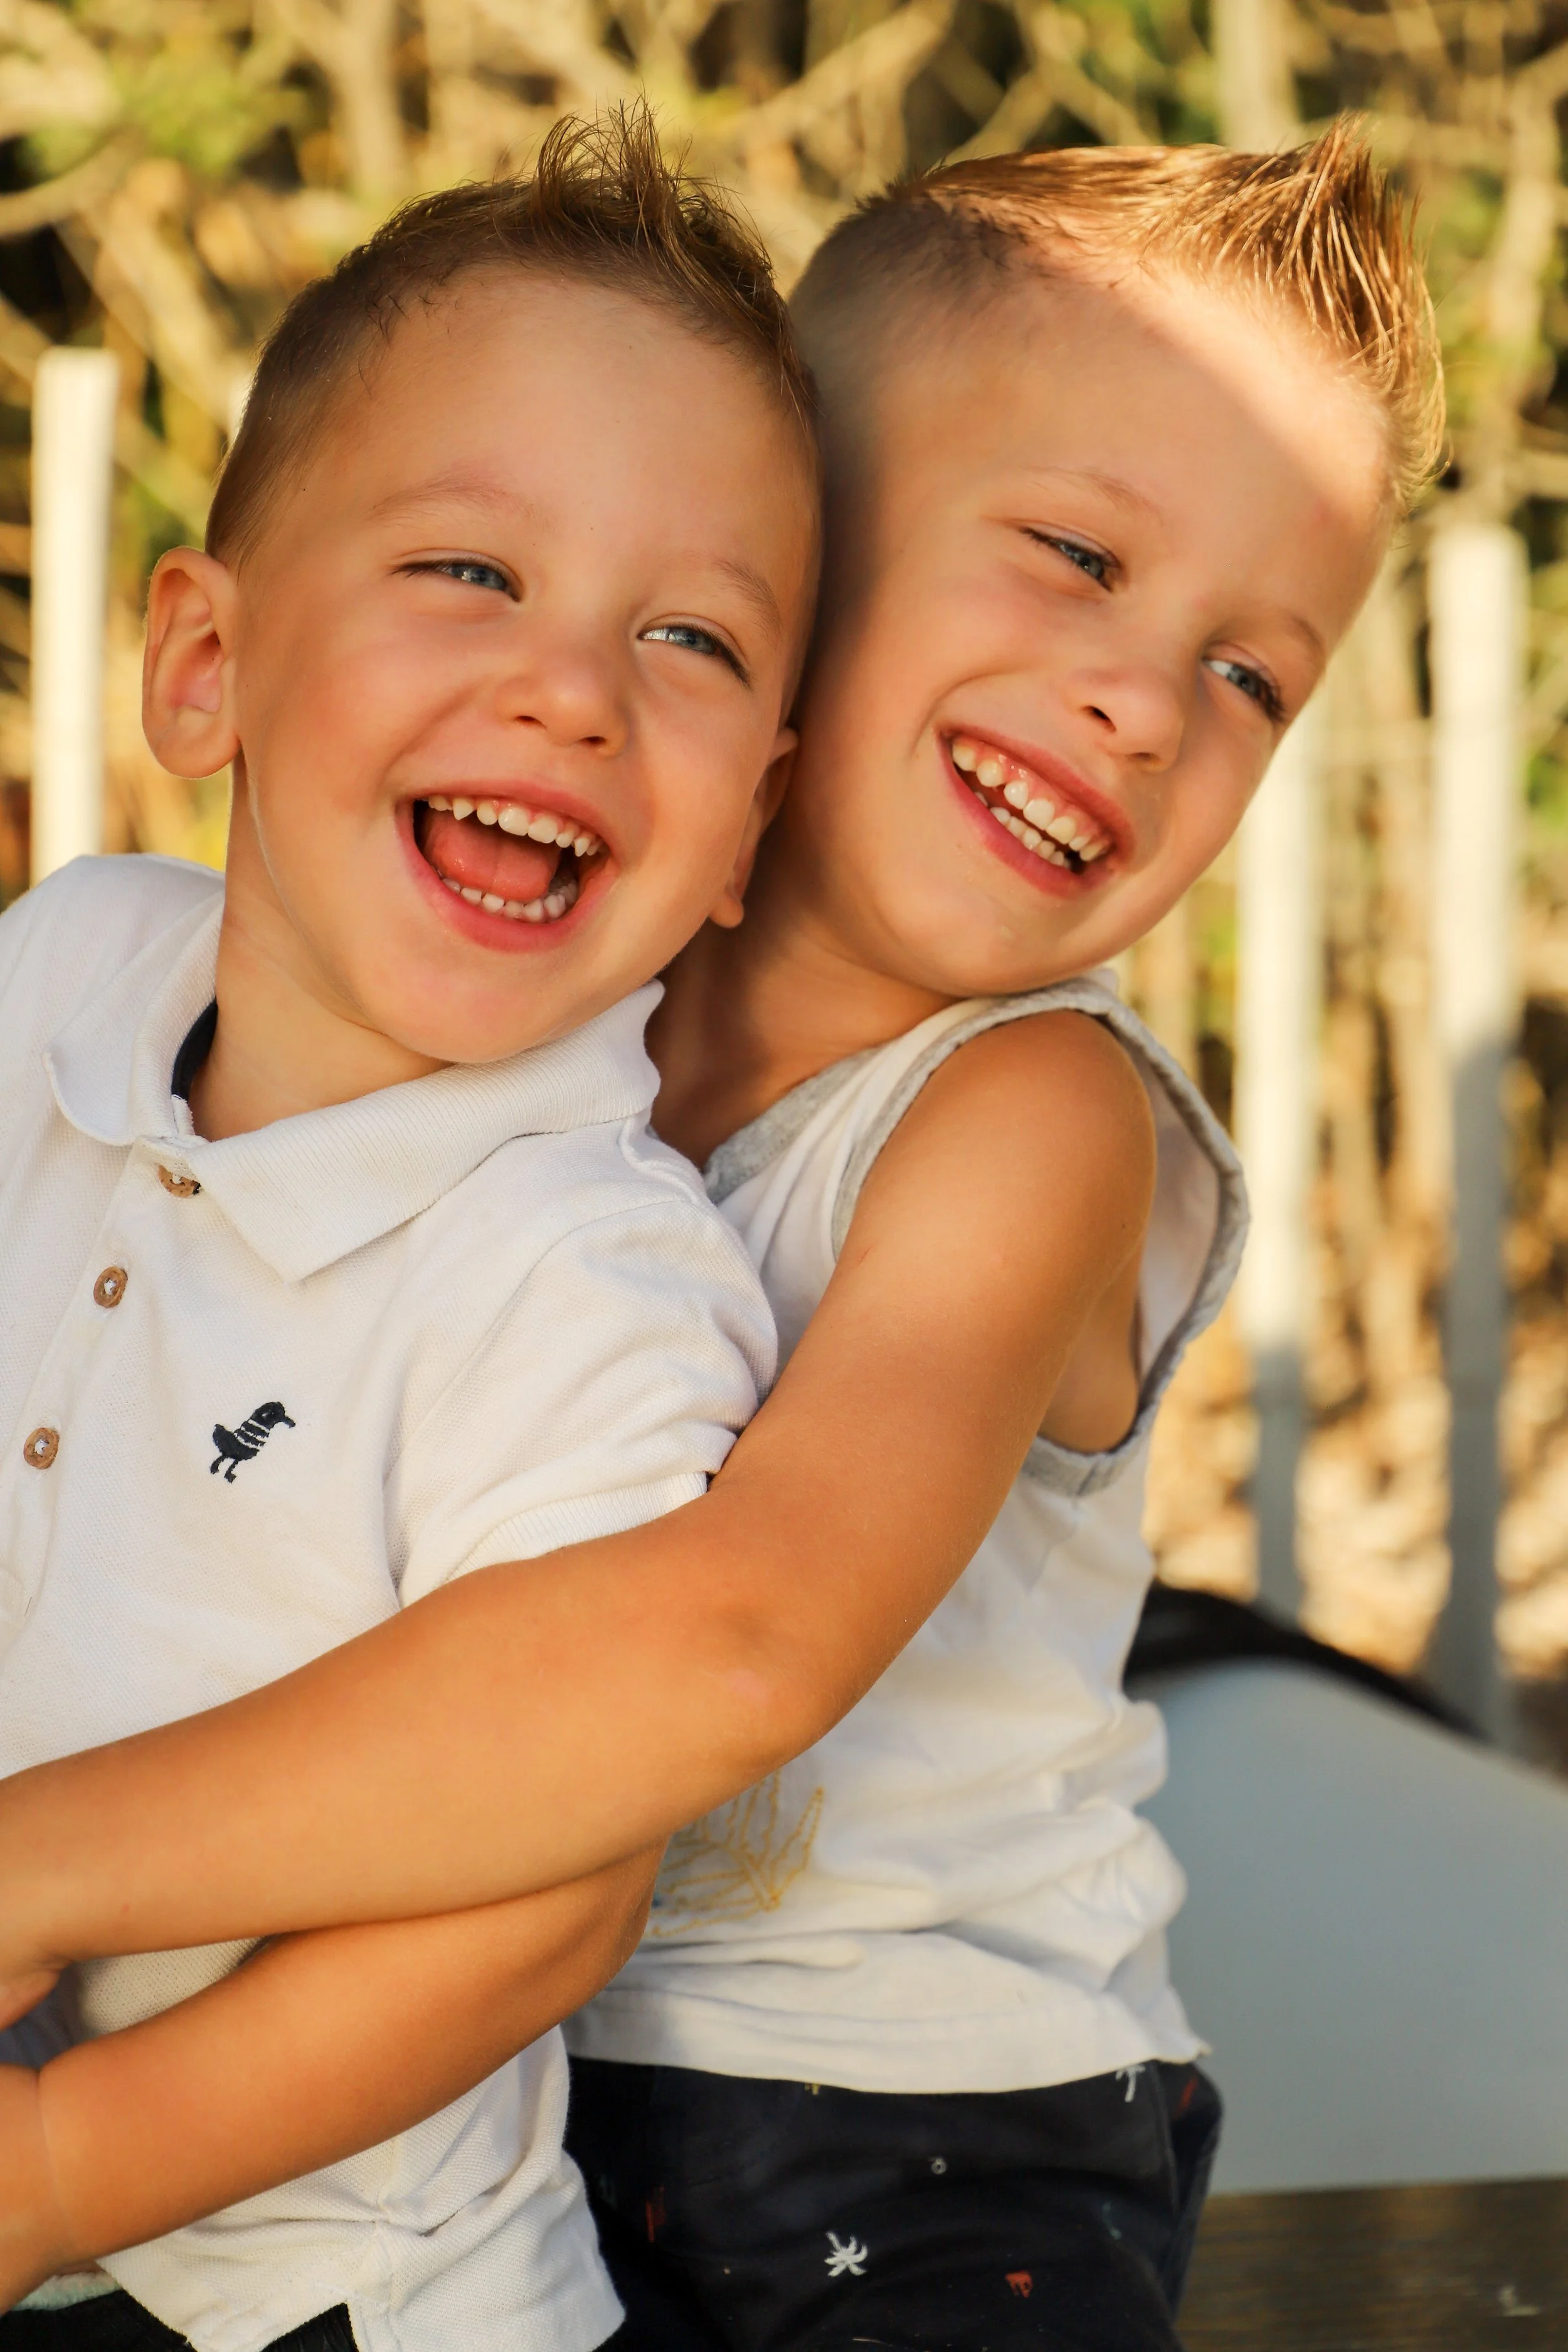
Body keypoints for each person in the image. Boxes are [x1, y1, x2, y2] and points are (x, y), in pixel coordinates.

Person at [0, 126, 1441, 2352]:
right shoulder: (487, 1019)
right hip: (510, 2085)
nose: (1147, 700)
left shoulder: (1025, 1110)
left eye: (1252, 674)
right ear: (803, 567)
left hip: (913, 2135)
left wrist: (45, 1858)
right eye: (1072, 555)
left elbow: (726, 1638)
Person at [0, 108, 820, 2352]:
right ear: (205, 667)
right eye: (471, 571)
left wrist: (69, 2157)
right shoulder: (65, 977)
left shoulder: (578, 1271)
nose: (573, 686)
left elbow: (544, 1897)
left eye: (689, 635)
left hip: (330, 2294)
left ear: (744, 828)